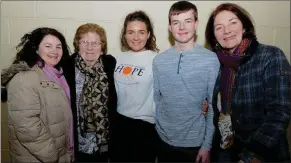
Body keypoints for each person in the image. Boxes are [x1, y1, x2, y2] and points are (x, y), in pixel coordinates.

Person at [205, 3, 291, 162]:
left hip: (262, 153)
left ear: (244, 27)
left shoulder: (270, 56)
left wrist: (251, 156)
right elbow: (216, 107)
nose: (227, 30)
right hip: (226, 149)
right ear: (214, 35)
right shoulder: (215, 63)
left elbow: (280, 112)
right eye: (219, 27)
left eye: (233, 22)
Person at [152, 1, 220, 162]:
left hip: (195, 144)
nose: (182, 27)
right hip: (162, 140)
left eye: (188, 21)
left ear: (196, 24)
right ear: (170, 27)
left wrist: (207, 145)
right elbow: (157, 99)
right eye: (176, 22)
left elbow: (212, 106)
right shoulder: (159, 61)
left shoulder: (211, 60)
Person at [1, 27, 73, 162]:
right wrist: (52, 155)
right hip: (40, 157)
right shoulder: (24, 77)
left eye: (59, 47)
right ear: (36, 49)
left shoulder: (57, 76)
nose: (54, 51)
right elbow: (27, 127)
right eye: (48, 46)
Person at [63, 23, 117, 162]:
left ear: (102, 46)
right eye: (84, 42)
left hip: (102, 138)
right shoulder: (66, 66)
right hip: (76, 137)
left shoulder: (110, 65)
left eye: (95, 43)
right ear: (77, 44)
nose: (90, 47)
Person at [110, 10, 159, 162]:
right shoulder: (120, 58)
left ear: (148, 35)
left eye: (141, 32)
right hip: (119, 124)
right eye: (131, 32)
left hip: (144, 128)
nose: (136, 37)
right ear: (125, 35)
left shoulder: (156, 60)